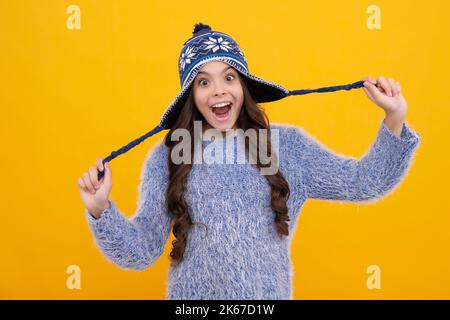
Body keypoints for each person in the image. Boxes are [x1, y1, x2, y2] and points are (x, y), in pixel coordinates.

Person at [77, 23, 421, 299]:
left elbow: (364, 182)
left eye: (229, 77)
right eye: (203, 82)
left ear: (244, 86)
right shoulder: (167, 158)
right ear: (191, 97)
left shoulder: (287, 148)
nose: (219, 91)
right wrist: (100, 209)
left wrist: (394, 118)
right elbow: (140, 251)